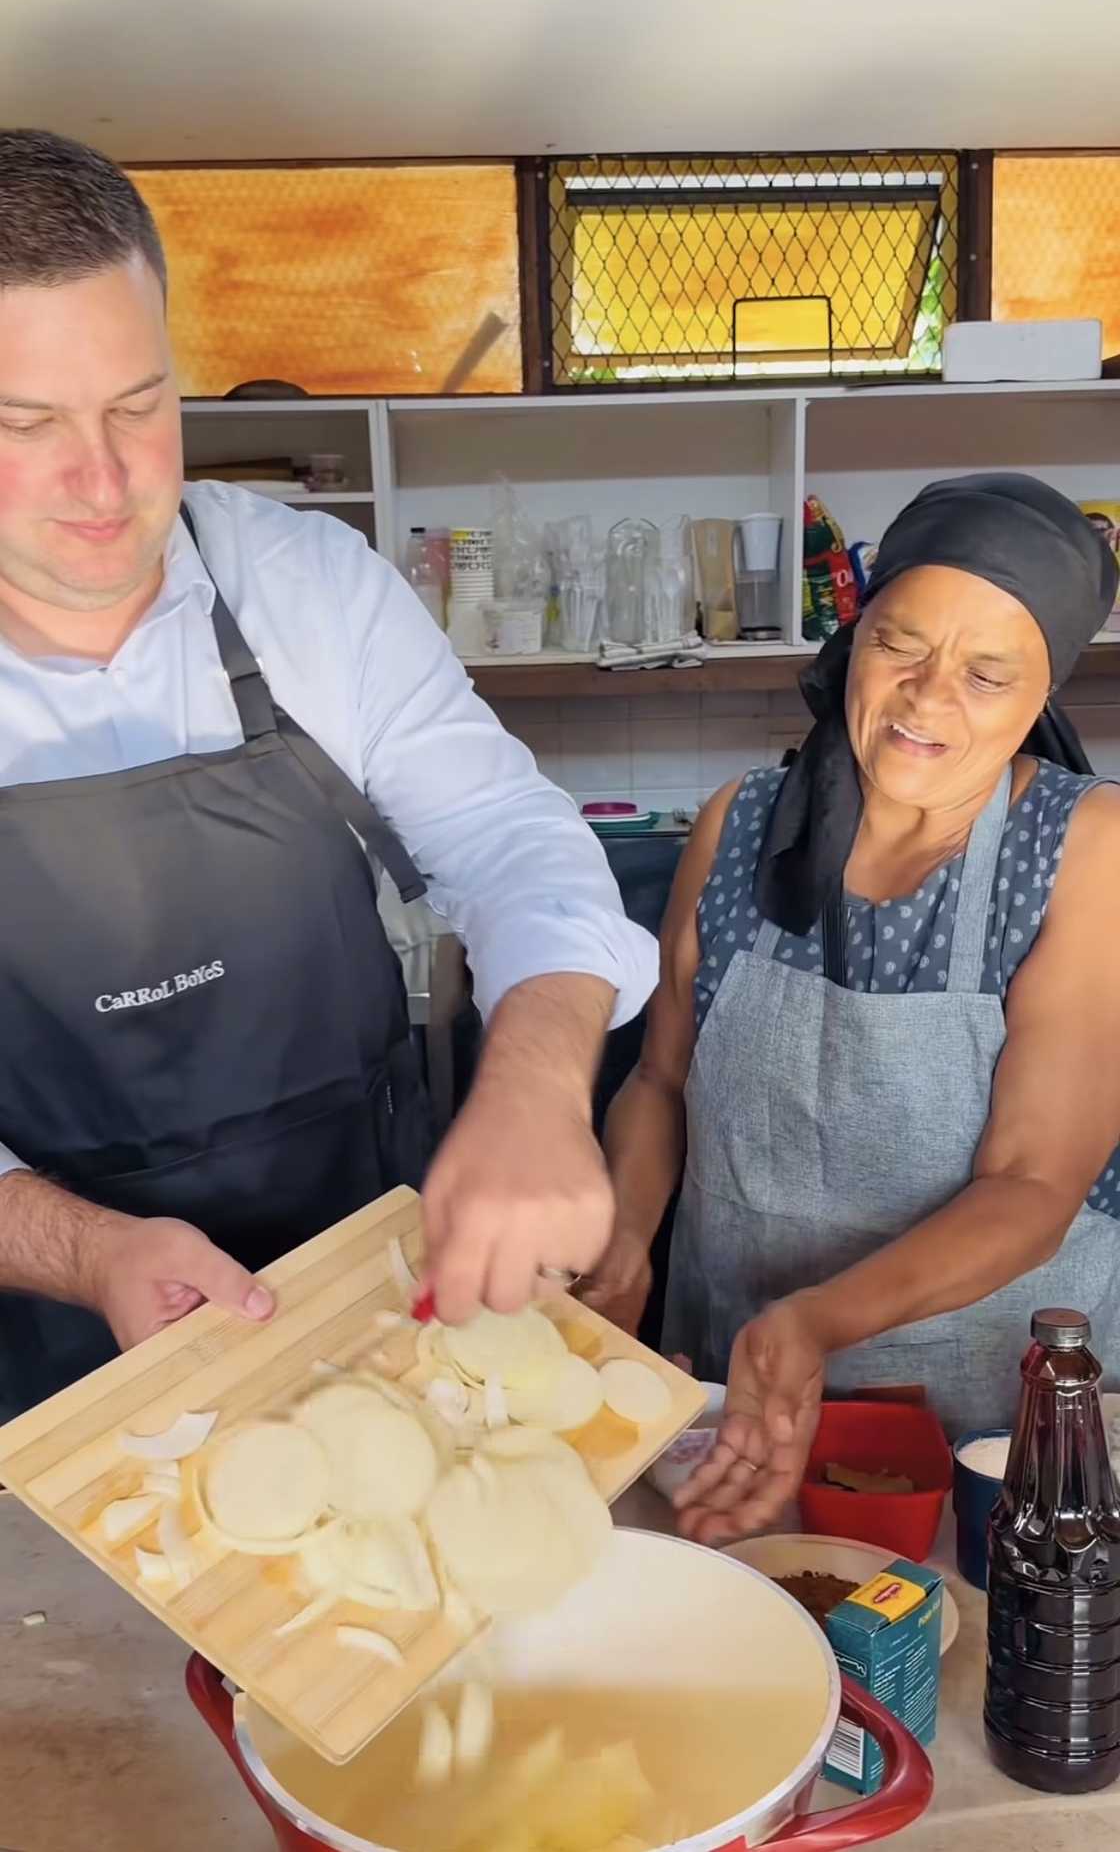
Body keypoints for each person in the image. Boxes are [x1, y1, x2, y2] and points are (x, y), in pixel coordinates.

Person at [0, 129, 658, 1420]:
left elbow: (510, 834)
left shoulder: (305, 587)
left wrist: (532, 1083)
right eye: (27, 424)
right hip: (52, 1363)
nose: (106, 477)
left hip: (374, 1298)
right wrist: (92, 1251)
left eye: (140, 405)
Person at [586, 471, 1120, 1542]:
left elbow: (1034, 1184)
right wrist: (623, 1244)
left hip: (989, 1428)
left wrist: (815, 1325)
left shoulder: (1085, 850)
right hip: (738, 1392)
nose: (926, 700)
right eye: (901, 646)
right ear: (853, 636)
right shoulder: (738, 825)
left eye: (985, 674)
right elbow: (658, 1083)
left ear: (1040, 693)